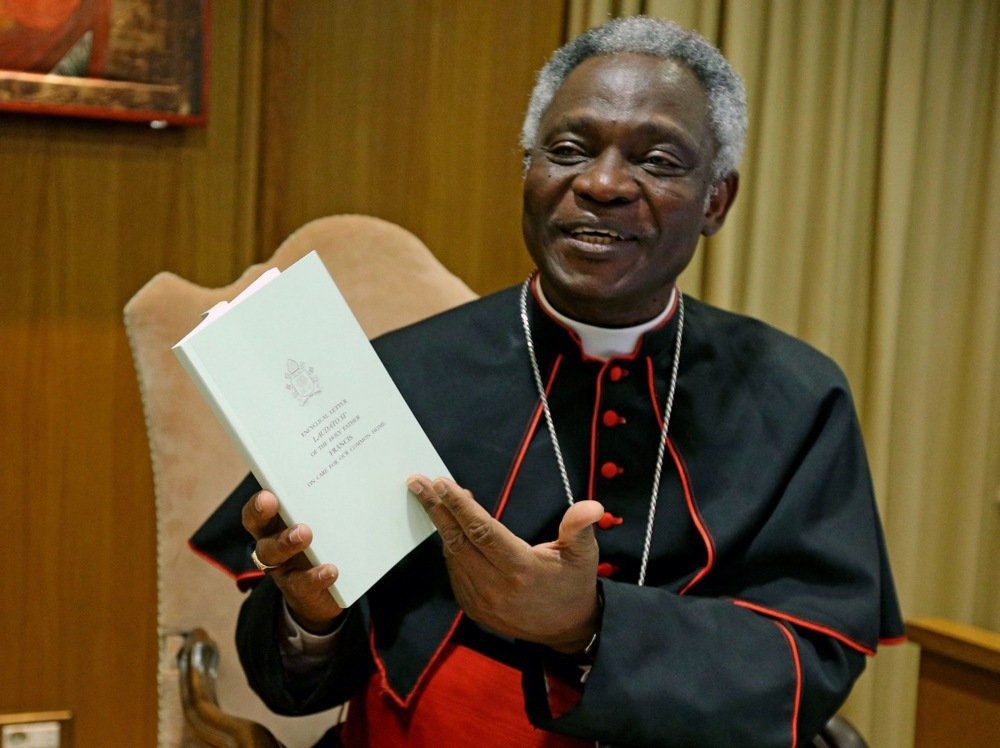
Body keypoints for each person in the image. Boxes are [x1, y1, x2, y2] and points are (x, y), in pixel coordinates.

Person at [195, 16, 904, 747]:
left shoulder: (798, 398)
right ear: (528, 171)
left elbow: (810, 657)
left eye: (657, 160)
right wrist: (311, 617)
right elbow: (300, 680)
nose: (601, 184)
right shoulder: (399, 373)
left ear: (716, 201)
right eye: (568, 151)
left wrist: (586, 624)